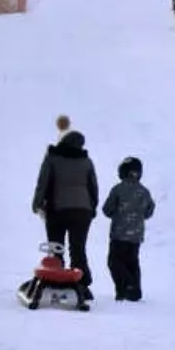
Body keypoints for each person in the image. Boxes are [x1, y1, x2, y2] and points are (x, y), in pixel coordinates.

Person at [32, 125, 99, 297]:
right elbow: (93, 187)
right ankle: (82, 284)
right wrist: (92, 207)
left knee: (57, 247)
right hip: (82, 211)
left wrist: (37, 203)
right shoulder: (86, 161)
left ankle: (54, 281)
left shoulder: (52, 158)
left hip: (57, 210)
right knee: (78, 249)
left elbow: (43, 183)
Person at [102, 156, 155, 302]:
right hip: (136, 235)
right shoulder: (144, 191)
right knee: (132, 261)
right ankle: (134, 289)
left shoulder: (118, 189)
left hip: (119, 234)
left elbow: (107, 209)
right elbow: (150, 211)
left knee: (114, 261)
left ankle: (126, 287)